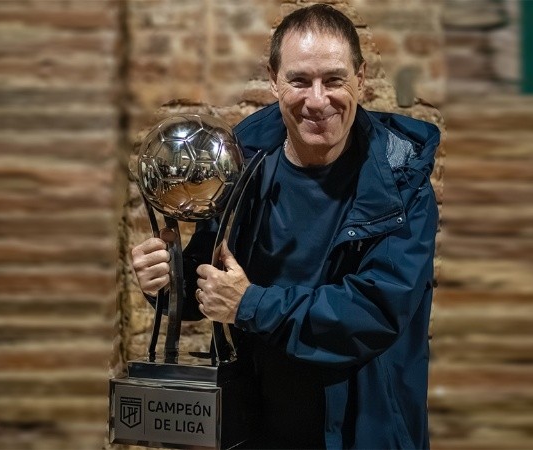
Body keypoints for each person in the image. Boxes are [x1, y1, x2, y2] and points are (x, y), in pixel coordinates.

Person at [130, 4, 440, 449]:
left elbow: (374, 311)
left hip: (363, 427)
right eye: (299, 80)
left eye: (334, 80)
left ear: (361, 78)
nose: (317, 100)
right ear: (274, 80)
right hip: (255, 425)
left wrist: (251, 304)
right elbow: (209, 285)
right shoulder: (243, 162)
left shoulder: (401, 179)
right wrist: (167, 279)